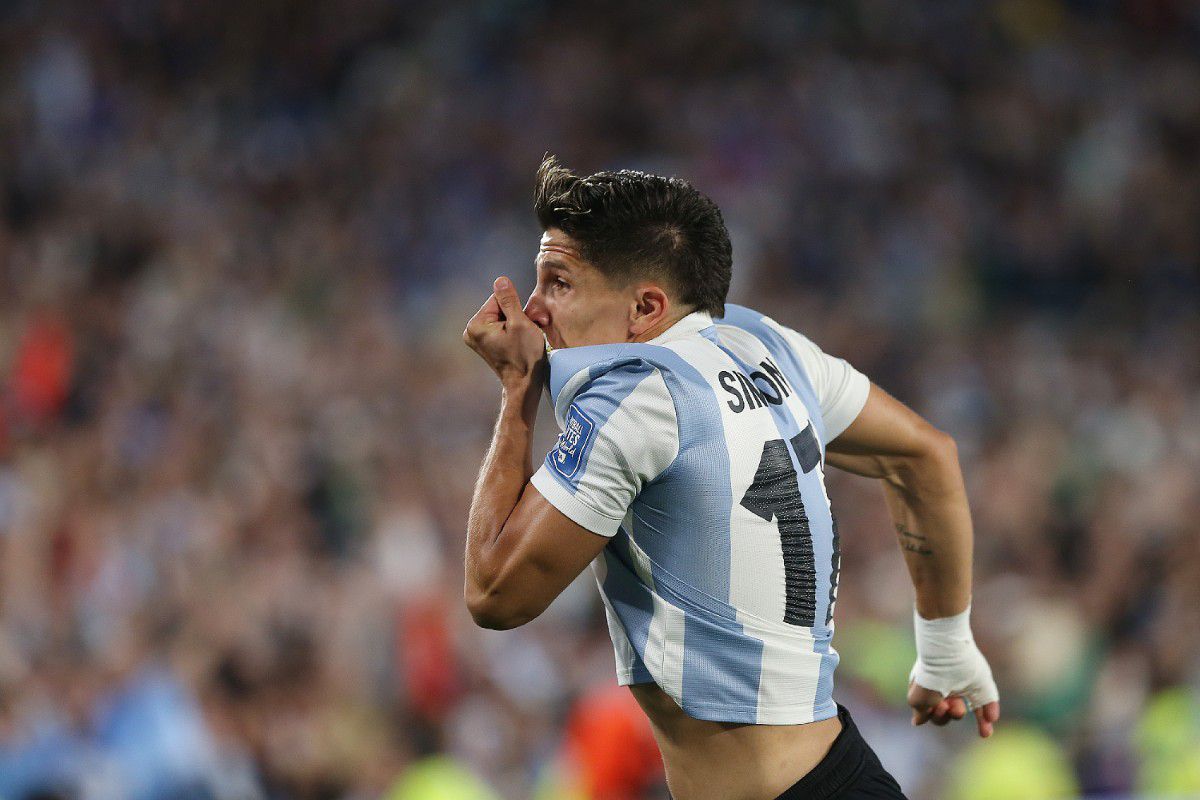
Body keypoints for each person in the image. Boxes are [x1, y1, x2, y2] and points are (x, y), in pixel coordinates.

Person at [461, 156, 1000, 800]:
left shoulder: (634, 395)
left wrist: (518, 389)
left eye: (559, 283)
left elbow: (495, 594)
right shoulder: (763, 343)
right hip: (841, 774)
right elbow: (925, 455)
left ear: (646, 306)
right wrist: (946, 647)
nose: (532, 310)